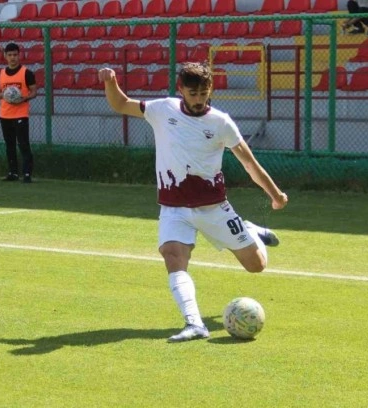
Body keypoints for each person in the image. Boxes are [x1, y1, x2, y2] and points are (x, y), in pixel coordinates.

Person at [98, 62, 288, 342]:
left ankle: (250, 230)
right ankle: (195, 324)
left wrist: (275, 194)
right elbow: (121, 104)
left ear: (210, 89)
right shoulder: (163, 109)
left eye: (203, 93)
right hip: (174, 208)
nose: (199, 99)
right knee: (173, 257)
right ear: (181, 90)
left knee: (256, 265)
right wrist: (110, 81)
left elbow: (250, 164)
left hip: (214, 209)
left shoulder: (221, 122)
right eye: (193, 93)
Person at [0, 42, 37, 183]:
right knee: (9, 145)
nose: (12, 58)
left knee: (23, 144)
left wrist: (24, 98)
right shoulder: (1, 73)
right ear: (5, 56)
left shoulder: (26, 73)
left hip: (20, 114)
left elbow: (34, 91)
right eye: (10, 55)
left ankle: (27, 174)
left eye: (15, 55)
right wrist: (5, 95)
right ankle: (13, 172)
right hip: (5, 114)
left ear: (19, 55)